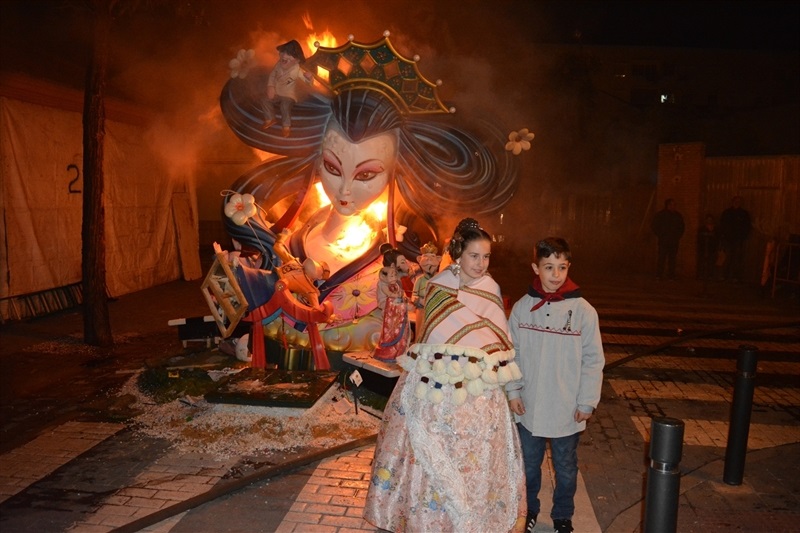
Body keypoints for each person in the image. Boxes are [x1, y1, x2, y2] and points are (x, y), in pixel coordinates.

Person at [219, 35, 519, 356]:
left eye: (366, 175)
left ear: (394, 172)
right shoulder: (283, 242)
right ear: (316, 160)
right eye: (332, 168)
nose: (345, 190)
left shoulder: (401, 260)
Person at [364, 218, 527, 533]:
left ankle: (473, 517)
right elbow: (427, 335)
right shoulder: (438, 285)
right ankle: (430, 520)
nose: (480, 264)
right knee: (427, 447)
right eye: (474, 256)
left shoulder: (490, 288)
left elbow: (498, 341)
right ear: (458, 253)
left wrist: (511, 389)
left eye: (486, 257)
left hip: (477, 388)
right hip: (435, 383)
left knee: (473, 453)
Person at [506, 237, 604, 533]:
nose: (556, 274)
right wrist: (513, 391)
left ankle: (563, 514)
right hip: (530, 405)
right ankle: (529, 510)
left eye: (562, 267)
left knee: (565, 467)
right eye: (549, 267)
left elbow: (593, 359)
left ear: (569, 266)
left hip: (566, 406)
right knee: (529, 465)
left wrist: (587, 401)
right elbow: (512, 353)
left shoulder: (583, 311)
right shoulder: (523, 308)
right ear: (536, 268)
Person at [261, 39, 313, 137]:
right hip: (277, 92)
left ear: (297, 60)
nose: (284, 56)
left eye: (288, 54)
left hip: (288, 95)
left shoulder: (297, 70)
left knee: (284, 106)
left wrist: (309, 78)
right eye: (283, 52)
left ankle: (286, 126)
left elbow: (307, 83)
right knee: (265, 100)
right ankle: (270, 118)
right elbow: (272, 75)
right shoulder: (278, 65)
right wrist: (270, 86)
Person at [373, 260, 411, 362]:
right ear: (383, 277)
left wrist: (402, 295)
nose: (394, 278)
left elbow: (399, 293)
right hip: (389, 310)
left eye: (395, 275)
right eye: (391, 276)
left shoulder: (396, 284)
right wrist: (397, 296)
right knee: (391, 331)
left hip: (396, 310)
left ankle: (400, 349)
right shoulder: (383, 285)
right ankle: (389, 351)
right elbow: (390, 295)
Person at [411, 241, 442, 339]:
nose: (428, 259)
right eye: (425, 256)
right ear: (419, 259)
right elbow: (414, 295)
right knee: (421, 333)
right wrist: (418, 300)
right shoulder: (419, 280)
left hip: (437, 309)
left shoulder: (441, 277)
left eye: (432, 256)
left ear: (439, 259)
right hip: (422, 310)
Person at [719, 195, 752, 282]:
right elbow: (722, 225)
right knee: (728, 257)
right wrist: (723, 236)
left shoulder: (744, 214)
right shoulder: (726, 213)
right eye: (735, 201)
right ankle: (724, 276)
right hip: (728, 239)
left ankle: (735, 277)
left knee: (737, 258)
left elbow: (747, 226)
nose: (737, 203)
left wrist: (743, 236)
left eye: (739, 201)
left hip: (738, 239)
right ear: (732, 202)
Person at [650, 198, 685, 280]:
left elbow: (682, 227)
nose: (674, 206)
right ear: (667, 205)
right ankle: (659, 275)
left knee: (672, 259)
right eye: (672, 205)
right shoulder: (661, 215)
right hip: (664, 240)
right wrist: (661, 235)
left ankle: (671, 275)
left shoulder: (678, 216)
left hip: (674, 241)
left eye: (674, 205)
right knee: (662, 258)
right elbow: (654, 226)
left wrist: (677, 236)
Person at [696, 214, 719, 281]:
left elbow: (717, 238)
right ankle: (701, 275)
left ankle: (710, 275)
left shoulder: (715, 229)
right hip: (703, 248)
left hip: (712, 249)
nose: (709, 221)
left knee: (711, 262)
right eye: (708, 220)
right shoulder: (702, 229)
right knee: (702, 262)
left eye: (710, 220)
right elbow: (699, 238)